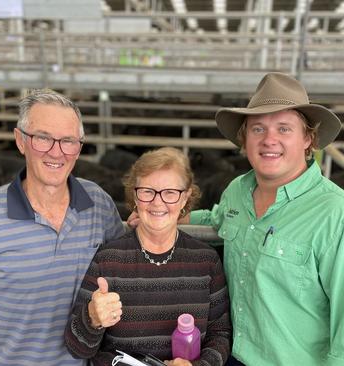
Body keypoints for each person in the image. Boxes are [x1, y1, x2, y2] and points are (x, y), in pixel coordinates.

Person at [130, 73, 344, 365]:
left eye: (284, 129)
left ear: (308, 139)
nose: (269, 140)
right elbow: (217, 220)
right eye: (258, 129)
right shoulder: (238, 190)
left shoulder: (342, 219)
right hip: (231, 356)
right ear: (245, 139)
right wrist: (163, 214)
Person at [0, 89, 125, 366]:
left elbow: (122, 270)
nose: (57, 152)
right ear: (20, 141)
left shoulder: (99, 205)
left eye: (68, 141)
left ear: (79, 147)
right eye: (43, 138)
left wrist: (150, 225)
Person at [65, 147, 231, 366]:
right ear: (135, 195)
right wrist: (92, 319)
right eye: (147, 191)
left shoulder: (206, 260)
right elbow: (76, 347)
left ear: (185, 198)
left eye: (170, 192)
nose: (158, 202)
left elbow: (220, 334)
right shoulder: (107, 260)